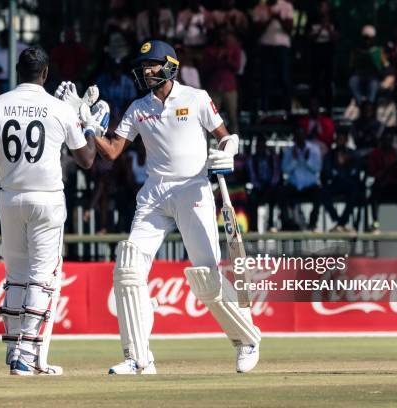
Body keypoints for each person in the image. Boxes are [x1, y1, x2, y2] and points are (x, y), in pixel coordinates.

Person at [92, 40, 260, 375]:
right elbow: (111, 152)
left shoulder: (196, 98)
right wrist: (88, 128)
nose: (146, 72)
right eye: (142, 68)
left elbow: (225, 136)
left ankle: (247, 339)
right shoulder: (138, 107)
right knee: (128, 269)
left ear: (170, 65)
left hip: (193, 190)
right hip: (154, 194)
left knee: (207, 279)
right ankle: (138, 359)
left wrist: (227, 150)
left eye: (151, 65)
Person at [0, 47, 99, 375]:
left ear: (18, 71)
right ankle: (26, 355)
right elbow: (87, 159)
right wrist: (90, 126)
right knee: (42, 278)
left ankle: (15, 347)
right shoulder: (58, 108)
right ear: (45, 74)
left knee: (15, 276)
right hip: (47, 200)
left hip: (10, 198)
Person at [252, 0, 294, 114]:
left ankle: (288, 111)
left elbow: (290, 29)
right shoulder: (259, 8)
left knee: (284, 79)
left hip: (282, 47)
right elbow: (255, 30)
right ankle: (263, 111)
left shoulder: (286, 6)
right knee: (264, 80)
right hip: (265, 47)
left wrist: (279, 18)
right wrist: (270, 18)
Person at [281, 127, 322, 231]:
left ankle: (313, 224)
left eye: (301, 135)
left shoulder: (314, 149)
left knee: (319, 195)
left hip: (310, 186)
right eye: (297, 136)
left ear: (305, 136)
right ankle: (287, 223)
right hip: (294, 185)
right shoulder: (289, 150)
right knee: (282, 194)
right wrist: (294, 160)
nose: (299, 138)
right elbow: (285, 169)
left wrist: (308, 160)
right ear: (294, 138)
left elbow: (317, 168)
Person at [367, 132, 397, 233]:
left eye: (390, 140)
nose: (387, 142)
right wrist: (385, 170)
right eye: (385, 140)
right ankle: (375, 222)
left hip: (393, 185)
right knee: (374, 195)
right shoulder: (375, 153)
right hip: (380, 184)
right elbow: (372, 172)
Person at [321, 132, 363, 232]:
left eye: (342, 139)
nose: (340, 142)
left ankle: (342, 223)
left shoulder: (352, 154)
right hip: (335, 183)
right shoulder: (330, 154)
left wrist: (347, 164)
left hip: (349, 183)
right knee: (323, 193)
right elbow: (327, 170)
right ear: (335, 141)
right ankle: (337, 220)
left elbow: (356, 171)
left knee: (355, 192)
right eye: (338, 140)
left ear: (346, 141)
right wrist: (337, 170)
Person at [203, 27, 242, 134]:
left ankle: (235, 149)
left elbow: (237, 66)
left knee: (233, 118)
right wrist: (219, 59)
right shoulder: (209, 50)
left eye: (224, 35)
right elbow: (206, 67)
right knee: (211, 121)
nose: (222, 37)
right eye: (220, 35)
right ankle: (207, 149)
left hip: (229, 88)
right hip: (214, 87)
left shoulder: (234, 48)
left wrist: (225, 59)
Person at [306, 0, 338, 114]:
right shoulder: (312, 20)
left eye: (324, 7)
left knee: (328, 83)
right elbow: (309, 38)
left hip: (328, 55)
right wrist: (320, 28)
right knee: (315, 84)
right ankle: (314, 110)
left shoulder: (334, 20)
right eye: (320, 6)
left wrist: (328, 27)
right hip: (315, 55)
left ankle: (329, 110)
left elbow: (336, 39)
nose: (322, 9)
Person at [349, 25, 387, 106]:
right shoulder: (356, 51)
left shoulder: (379, 51)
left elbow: (386, 67)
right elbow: (352, 67)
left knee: (373, 85)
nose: (367, 41)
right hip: (360, 76)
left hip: (374, 78)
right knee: (353, 81)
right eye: (365, 38)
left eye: (369, 39)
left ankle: (370, 104)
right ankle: (360, 104)